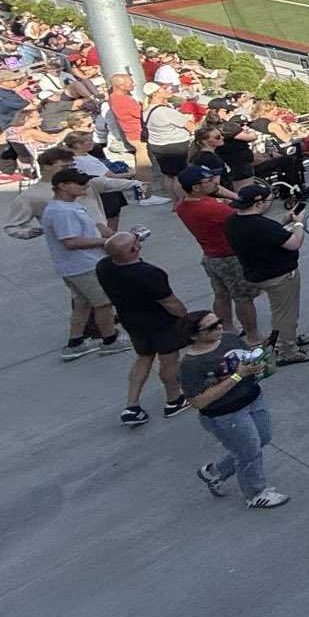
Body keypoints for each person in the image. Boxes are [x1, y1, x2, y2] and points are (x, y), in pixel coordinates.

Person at [182, 308, 291, 509]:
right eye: (212, 327)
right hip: (225, 415)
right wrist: (237, 376)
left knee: (263, 438)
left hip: (253, 399)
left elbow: (247, 358)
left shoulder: (229, 339)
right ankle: (256, 493)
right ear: (194, 336)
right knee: (249, 453)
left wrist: (260, 362)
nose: (220, 327)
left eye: (219, 321)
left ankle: (215, 472)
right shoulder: (191, 364)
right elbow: (197, 402)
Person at [95, 231, 190, 427]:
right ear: (134, 250)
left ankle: (132, 405)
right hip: (161, 323)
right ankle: (174, 399)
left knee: (144, 357)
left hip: (132, 322)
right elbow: (170, 302)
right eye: (135, 241)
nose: (139, 242)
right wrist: (187, 319)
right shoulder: (149, 273)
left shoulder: (103, 266)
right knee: (168, 360)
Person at [225, 182, 309, 364]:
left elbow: (265, 234)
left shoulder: (232, 222)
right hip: (279, 275)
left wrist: (283, 222)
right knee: (285, 314)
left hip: (256, 272)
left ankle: (285, 340)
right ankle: (287, 350)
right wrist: (298, 223)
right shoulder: (261, 225)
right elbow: (294, 243)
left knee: (280, 312)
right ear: (258, 203)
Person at [173, 164, 260, 343]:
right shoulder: (212, 207)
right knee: (243, 298)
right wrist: (236, 198)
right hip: (230, 257)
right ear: (196, 187)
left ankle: (226, 329)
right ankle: (253, 336)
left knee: (221, 294)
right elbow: (246, 219)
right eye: (210, 180)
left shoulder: (183, 205)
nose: (216, 182)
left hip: (211, 256)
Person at [41, 167, 121, 360]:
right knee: (103, 303)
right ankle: (110, 341)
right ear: (63, 186)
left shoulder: (69, 205)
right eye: (80, 183)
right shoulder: (61, 211)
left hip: (76, 266)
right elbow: (70, 241)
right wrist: (107, 243)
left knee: (82, 304)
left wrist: (114, 236)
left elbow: (93, 227)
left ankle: (76, 342)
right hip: (83, 266)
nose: (85, 186)